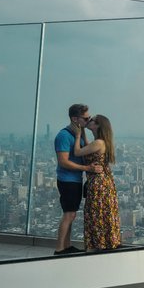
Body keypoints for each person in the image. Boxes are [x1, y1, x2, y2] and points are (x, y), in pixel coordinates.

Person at [54, 104, 102, 255]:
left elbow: (85, 152)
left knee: (71, 214)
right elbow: (63, 161)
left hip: (74, 179)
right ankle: (60, 249)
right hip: (67, 180)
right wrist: (87, 169)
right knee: (69, 214)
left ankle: (67, 246)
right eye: (86, 118)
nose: (88, 121)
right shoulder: (63, 136)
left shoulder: (77, 135)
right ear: (75, 118)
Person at [73, 114, 121, 251]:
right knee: (102, 213)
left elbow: (77, 152)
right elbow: (89, 147)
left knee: (95, 214)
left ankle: (97, 245)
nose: (89, 121)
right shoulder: (100, 142)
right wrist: (82, 131)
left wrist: (77, 135)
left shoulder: (98, 143)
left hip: (98, 183)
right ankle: (105, 243)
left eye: (92, 120)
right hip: (105, 183)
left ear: (98, 125)